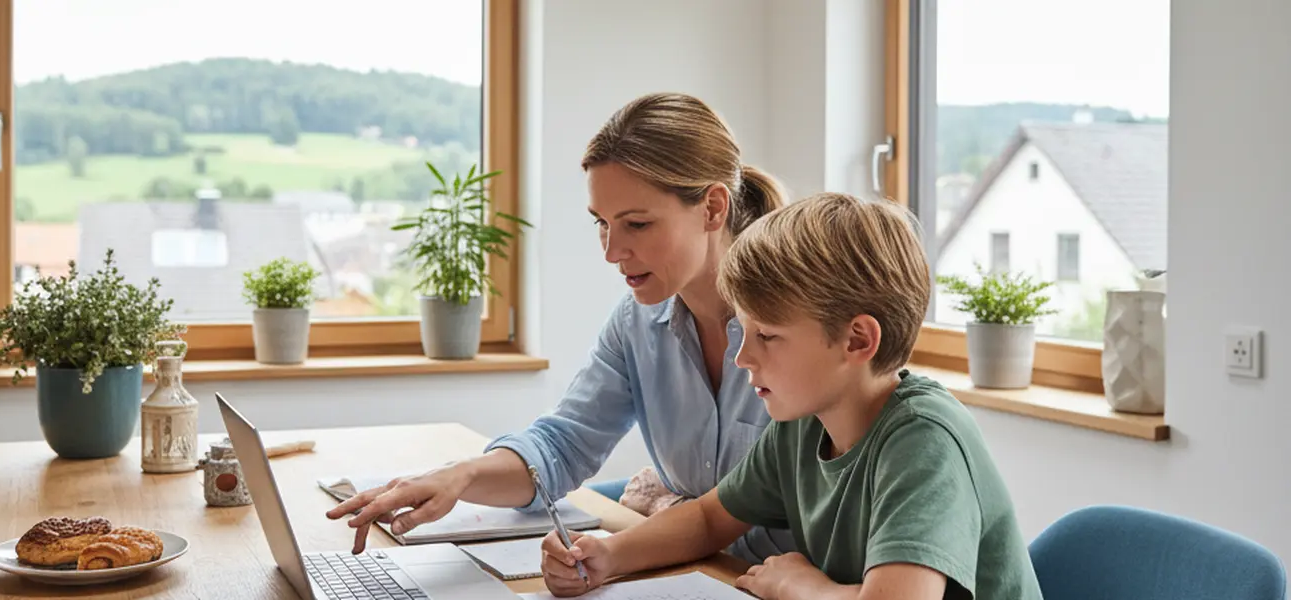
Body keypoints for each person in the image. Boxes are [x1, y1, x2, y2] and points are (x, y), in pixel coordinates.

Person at [325, 92, 795, 563]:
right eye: (602, 224)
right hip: (691, 569)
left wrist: (649, 524)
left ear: (713, 208)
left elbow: (802, 527)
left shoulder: (802, 327)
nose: (611, 251)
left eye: (636, 224)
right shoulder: (635, 322)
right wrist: (459, 476)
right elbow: (563, 444)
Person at [539, 193, 1044, 600]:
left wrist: (803, 587)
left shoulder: (923, 442)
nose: (742, 358)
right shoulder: (804, 423)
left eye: (768, 337)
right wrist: (607, 555)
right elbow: (709, 518)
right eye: (744, 331)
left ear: (857, 341)